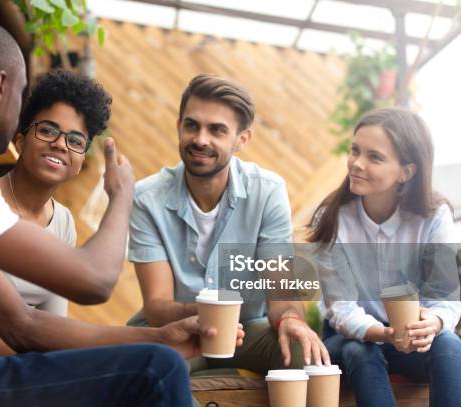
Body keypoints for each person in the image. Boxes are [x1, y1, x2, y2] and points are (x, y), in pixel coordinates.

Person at [0, 14, 244, 407]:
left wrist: (159, 336)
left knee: (153, 362)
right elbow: (94, 281)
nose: (59, 144)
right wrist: (123, 196)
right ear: (0, 87)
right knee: (155, 371)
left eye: (75, 140)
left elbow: (24, 324)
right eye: (23, 95)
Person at [128, 73, 329, 373]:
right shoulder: (147, 198)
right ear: (179, 126)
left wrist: (291, 319)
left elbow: (280, 291)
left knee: (299, 346)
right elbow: (157, 307)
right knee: (151, 368)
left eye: (217, 130)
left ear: (241, 140)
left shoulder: (267, 192)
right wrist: (212, 314)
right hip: (174, 330)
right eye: (192, 125)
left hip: (246, 331)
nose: (200, 139)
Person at [308, 107, 461, 407]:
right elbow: (342, 311)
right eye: (355, 150)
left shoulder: (434, 217)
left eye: (374, 157)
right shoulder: (331, 218)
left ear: (407, 172)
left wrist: (432, 323)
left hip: (412, 339)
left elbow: (444, 301)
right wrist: (383, 333)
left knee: (448, 344)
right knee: (361, 350)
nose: (356, 163)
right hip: (349, 340)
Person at [0, 69, 109, 356]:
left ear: (79, 161)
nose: (60, 144)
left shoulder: (62, 222)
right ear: (21, 141)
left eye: (75, 140)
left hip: (26, 363)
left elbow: (54, 323)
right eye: (48, 130)